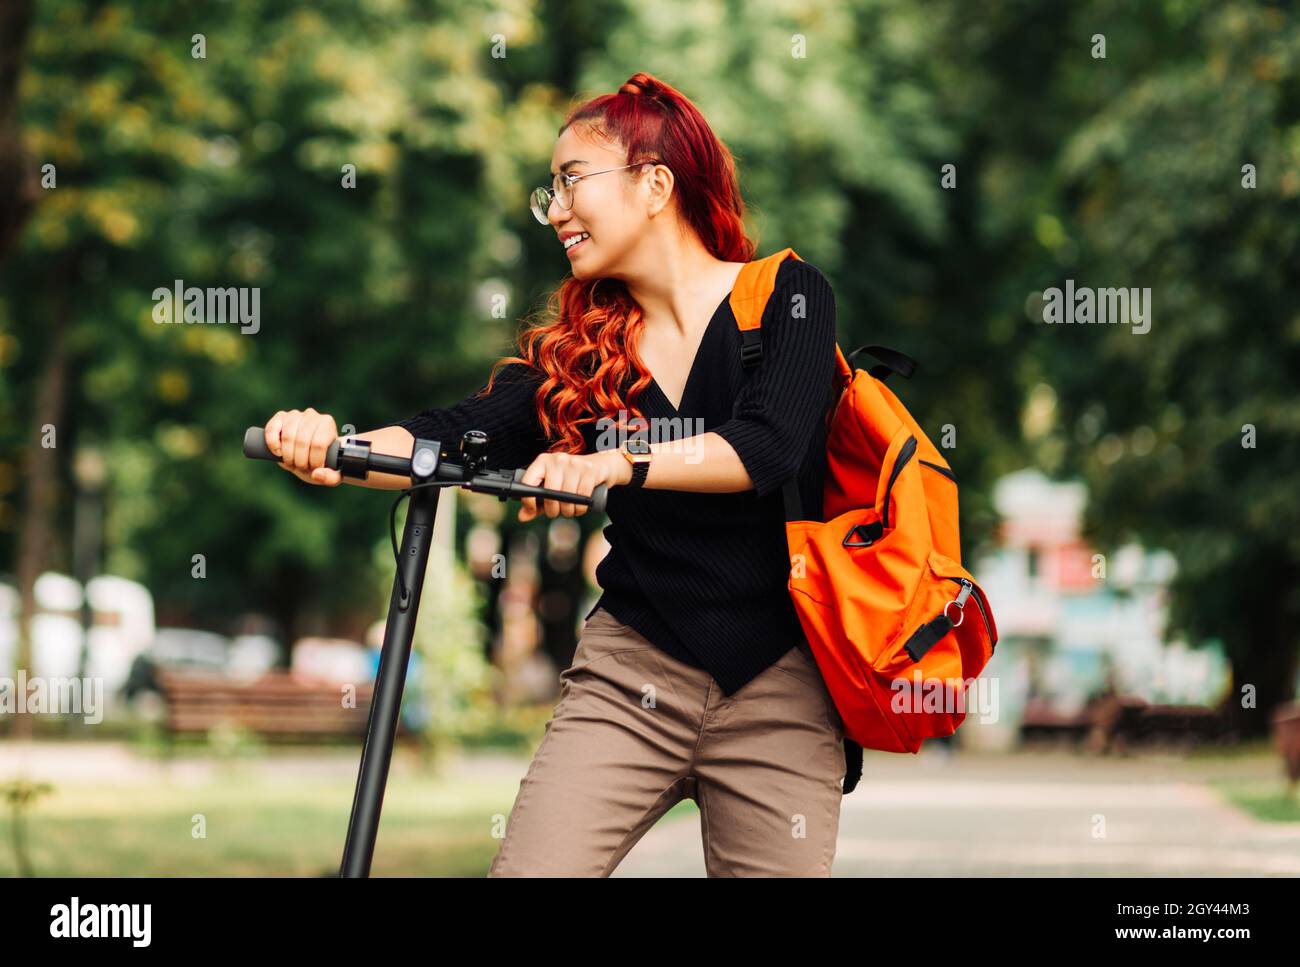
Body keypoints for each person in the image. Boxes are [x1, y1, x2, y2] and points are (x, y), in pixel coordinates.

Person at [260, 71, 847, 876]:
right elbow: (449, 436)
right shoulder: (584, 357)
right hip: (633, 673)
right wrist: (333, 444)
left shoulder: (788, 296)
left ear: (654, 184)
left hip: (782, 686)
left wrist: (617, 462)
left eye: (571, 181)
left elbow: (767, 444)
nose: (556, 210)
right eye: (550, 192)